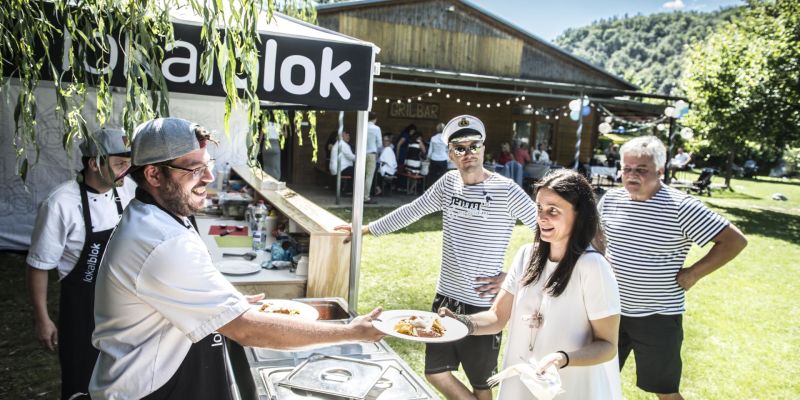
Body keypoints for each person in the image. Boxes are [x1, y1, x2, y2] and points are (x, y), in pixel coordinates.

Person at [90, 117, 384, 399]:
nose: (208, 176)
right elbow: (246, 329)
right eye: (194, 169)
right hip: (150, 391)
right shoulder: (163, 242)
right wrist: (352, 331)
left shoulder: (157, 216)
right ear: (154, 174)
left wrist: (226, 302)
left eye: (208, 165)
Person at [337, 115, 538, 400]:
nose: (467, 153)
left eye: (473, 146)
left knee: (482, 386)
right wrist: (367, 229)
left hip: (482, 306)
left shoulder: (506, 190)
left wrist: (513, 279)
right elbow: (412, 210)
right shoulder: (448, 184)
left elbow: (544, 234)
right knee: (435, 372)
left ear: (483, 148)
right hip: (444, 299)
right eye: (459, 148)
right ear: (450, 153)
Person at [442, 169, 621, 399]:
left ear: (579, 215)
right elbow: (497, 318)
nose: (542, 217)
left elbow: (607, 345)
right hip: (523, 383)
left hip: (571, 387)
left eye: (553, 211)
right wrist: (460, 322)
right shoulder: (526, 255)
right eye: (539, 208)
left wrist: (562, 358)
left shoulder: (593, 267)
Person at [598, 136, 747, 400]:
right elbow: (598, 239)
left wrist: (693, 274)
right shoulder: (611, 200)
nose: (631, 176)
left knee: (664, 391)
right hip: (610, 311)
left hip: (658, 316)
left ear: (660, 171)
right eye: (626, 169)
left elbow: (734, 241)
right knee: (595, 381)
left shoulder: (682, 207)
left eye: (641, 170)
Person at [26, 128, 136, 400]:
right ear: (94, 163)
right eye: (120, 163)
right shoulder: (61, 204)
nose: (127, 170)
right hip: (81, 311)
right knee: (81, 383)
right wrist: (43, 319)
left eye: (129, 163)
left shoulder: (127, 190)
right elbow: (38, 266)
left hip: (122, 305)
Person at [364, 112, 382, 204]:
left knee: (360, 175)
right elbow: (379, 144)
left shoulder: (362, 126)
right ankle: (366, 197)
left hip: (362, 154)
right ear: (375, 119)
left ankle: (358, 195)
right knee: (369, 176)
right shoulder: (377, 129)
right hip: (372, 154)